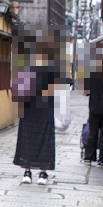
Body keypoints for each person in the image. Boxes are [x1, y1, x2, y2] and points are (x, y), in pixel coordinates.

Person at [13, 39, 61, 185]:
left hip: (32, 108)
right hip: (42, 108)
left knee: (30, 140)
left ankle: (29, 172)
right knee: (42, 141)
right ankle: (41, 173)